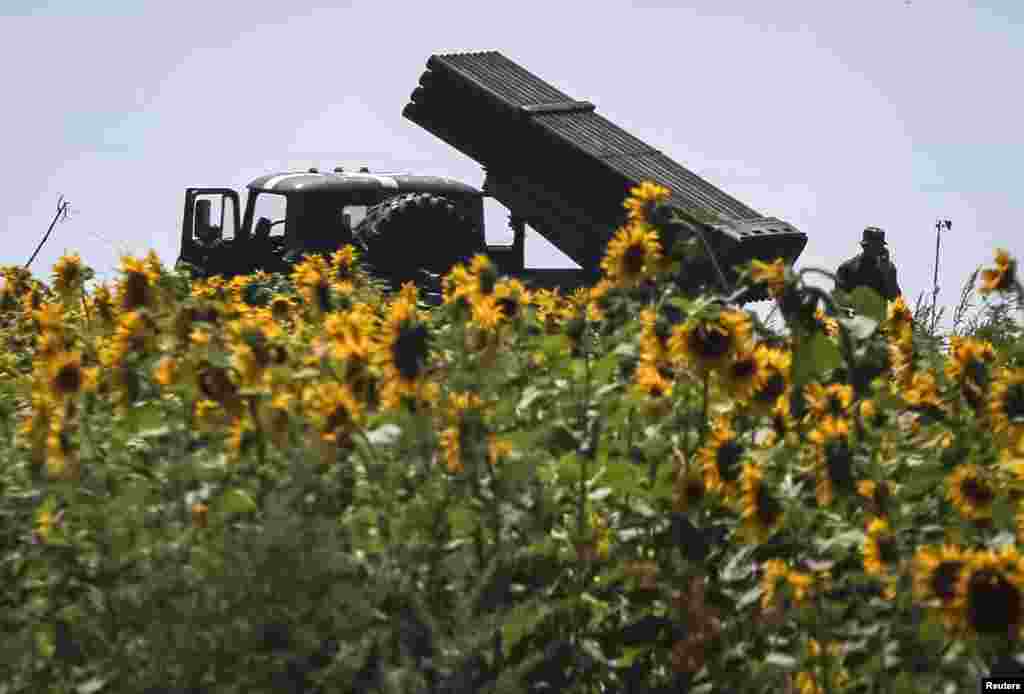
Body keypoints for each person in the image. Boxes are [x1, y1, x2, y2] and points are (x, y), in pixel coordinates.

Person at [835, 227, 902, 301]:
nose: (875, 250)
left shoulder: (889, 268)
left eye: (878, 246)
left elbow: (896, 299)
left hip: (879, 311)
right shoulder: (847, 268)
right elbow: (838, 298)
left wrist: (886, 274)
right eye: (872, 246)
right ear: (864, 246)